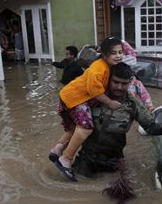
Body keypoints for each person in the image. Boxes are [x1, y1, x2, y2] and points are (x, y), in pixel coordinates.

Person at [72, 62, 162, 177]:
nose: (119, 87)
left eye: (124, 83)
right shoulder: (95, 97)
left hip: (113, 161)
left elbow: (151, 127)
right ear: (108, 79)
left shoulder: (133, 105)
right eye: (115, 82)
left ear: (130, 82)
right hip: (86, 158)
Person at [49, 37, 124, 181]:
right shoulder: (99, 68)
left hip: (70, 95)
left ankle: (57, 149)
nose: (119, 55)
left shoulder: (107, 66)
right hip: (75, 98)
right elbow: (94, 90)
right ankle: (66, 158)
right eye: (114, 53)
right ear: (104, 55)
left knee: (74, 129)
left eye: (120, 52)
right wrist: (109, 102)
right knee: (86, 128)